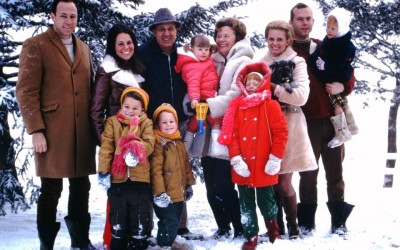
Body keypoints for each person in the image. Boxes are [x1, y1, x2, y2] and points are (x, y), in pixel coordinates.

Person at [15, 0, 97, 249]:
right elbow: (26, 91)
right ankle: (46, 244)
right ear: (52, 16)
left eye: (73, 16)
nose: (69, 21)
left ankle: (80, 241)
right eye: (63, 16)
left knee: (81, 186)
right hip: (52, 132)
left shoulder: (84, 48)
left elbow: (91, 89)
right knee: (51, 189)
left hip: (81, 132)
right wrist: (36, 130)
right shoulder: (36, 45)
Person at [289, 3, 355, 236]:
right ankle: (306, 223)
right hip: (305, 121)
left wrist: (343, 86)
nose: (305, 23)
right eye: (300, 19)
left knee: (335, 173)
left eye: (309, 18)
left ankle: (339, 222)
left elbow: (347, 72)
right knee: (308, 174)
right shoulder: (288, 51)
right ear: (291, 22)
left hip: (332, 119)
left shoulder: (324, 46)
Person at [137, 7, 201, 240]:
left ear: (176, 31)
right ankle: (156, 226)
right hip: (154, 125)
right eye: (162, 29)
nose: (166, 33)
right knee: (156, 173)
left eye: (171, 29)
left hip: (179, 123)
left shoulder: (182, 56)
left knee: (178, 173)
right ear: (154, 31)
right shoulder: (143, 54)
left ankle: (180, 226)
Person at [188, 17, 254, 239]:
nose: (221, 39)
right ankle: (223, 226)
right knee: (211, 183)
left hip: (230, 128)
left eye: (226, 35)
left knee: (225, 183)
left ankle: (238, 226)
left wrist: (207, 106)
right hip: (207, 128)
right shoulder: (212, 59)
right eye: (219, 35)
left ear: (237, 36)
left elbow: (236, 95)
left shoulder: (243, 61)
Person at [218, 62, 288, 249]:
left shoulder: (271, 105)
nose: (250, 85)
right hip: (243, 164)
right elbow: (233, 135)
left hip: (265, 163)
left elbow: (281, 133)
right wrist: (235, 158)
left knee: (267, 200)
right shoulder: (237, 107)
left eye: (255, 82)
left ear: (263, 83)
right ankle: (251, 236)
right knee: (245, 203)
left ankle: (274, 231)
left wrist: (275, 158)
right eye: (248, 81)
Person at [89, 23, 147, 248]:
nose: (126, 47)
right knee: (117, 197)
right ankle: (111, 240)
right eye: (120, 43)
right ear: (113, 46)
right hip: (117, 144)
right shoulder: (108, 71)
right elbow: (96, 111)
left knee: (137, 195)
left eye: (129, 42)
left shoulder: (137, 70)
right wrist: (108, 145)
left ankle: (133, 238)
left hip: (138, 142)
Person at [260, 20, 318, 240]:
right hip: (266, 124)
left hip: (290, 124)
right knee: (271, 179)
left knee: (285, 182)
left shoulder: (297, 62)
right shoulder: (261, 62)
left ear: (287, 40)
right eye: (271, 38)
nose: (275, 43)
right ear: (266, 39)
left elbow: (301, 96)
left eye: (279, 39)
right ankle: (278, 227)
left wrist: (273, 88)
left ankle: (293, 226)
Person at [97, 87, 156, 249]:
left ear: (142, 109)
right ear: (121, 105)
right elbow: (106, 148)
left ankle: (138, 241)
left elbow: (150, 143)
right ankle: (118, 242)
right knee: (118, 216)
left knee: (140, 215)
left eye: (135, 108)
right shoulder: (112, 122)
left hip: (140, 180)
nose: (130, 111)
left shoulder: (146, 123)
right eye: (126, 106)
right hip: (118, 179)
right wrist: (103, 171)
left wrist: (136, 148)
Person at [308, 7, 358, 148]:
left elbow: (342, 65)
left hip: (333, 79)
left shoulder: (343, 45)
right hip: (330, 80)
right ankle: (352, 126)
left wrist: (326, 66)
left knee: (337, 104)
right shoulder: (331, 40)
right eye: (328, 27)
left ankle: (342, 133)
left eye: (333, 28)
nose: (329, 31)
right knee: (341, 102)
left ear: (341, 29)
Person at [151, 103, 196, 250]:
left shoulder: (178, 141)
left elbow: (185, 165)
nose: (168, 125)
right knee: (167, 221)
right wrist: (159, 193)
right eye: (164, 122)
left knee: (174, 221)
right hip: (165, 194)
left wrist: (188, 185)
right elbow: (155, 171)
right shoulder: (159, 143)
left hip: (178, 192)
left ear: (177, 122)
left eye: (171, 121)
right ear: (158, 125)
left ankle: (167, 241)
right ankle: (164, 244)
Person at [174, 34, 223, 155]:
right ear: (192, 49)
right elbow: (193, 83)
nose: (204, 52)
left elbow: (213, 51)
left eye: (206, 49)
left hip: (211, 96)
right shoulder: (192, 65)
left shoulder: (206, 60)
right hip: (202, 98)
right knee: (213, 121)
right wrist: (195, 98)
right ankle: (215, 146)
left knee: (201, 123)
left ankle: (190, 148)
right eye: (200, 49)